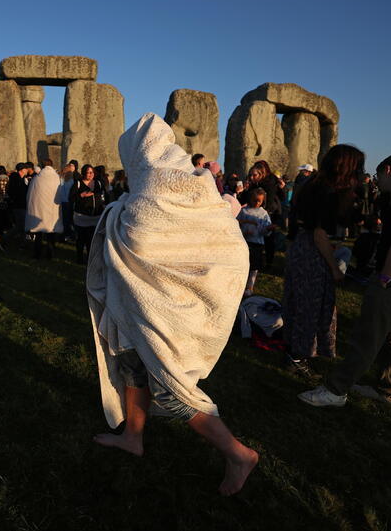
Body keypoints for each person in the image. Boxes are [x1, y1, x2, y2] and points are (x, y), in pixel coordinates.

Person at [88, 113, 258, 496]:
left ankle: (238, 453)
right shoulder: (199, 185)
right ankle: (133, 436)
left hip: (171, 309)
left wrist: (119, 215)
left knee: (171, 386)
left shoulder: (155, 194)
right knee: (131, 362)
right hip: (136, 304)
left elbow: (148, 238)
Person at [299, 153, 391, 410]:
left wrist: (385, 277)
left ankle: (335, 390)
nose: (377, 181)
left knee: (368, 334)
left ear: (388, 169)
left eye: (378, 176)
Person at [283, 145, 363, 378]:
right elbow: (319, 233)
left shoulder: (314, 184)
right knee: (310, 306)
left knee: (299, 302)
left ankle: (296, 351)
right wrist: (334, 267)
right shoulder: (326, 191)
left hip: (302, 247)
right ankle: (298, 358)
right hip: (313, 252)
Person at [241, 161, 284, 267]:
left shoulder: (270, 183)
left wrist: (264, 212)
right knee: (255, 237)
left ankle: (268, 261)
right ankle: (253, 260)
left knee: (269, 238)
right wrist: (245, 190)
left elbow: (275, 198)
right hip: (255, 213)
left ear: (261, 174)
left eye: (254, 175)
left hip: (269, 213)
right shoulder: (252, 185)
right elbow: (244, 200)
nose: (251, 177)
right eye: (250, 175)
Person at [25, 158, 63, 260]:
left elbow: (31, 194)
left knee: (39, 234)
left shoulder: (37, 178)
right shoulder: (56, 178)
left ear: (42, 166)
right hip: (52, 211)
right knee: (51, 234)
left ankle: (37, 254)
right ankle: (50, 255)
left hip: (39, 211)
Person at [237, 187, 273, 296]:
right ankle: (240, 285)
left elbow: (265, 230)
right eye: (254, 199)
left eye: (259, 201)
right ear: (250, 198)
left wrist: (268, 229)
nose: (256, 203)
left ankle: (250, 286)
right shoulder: (243, 211)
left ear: (263, 201)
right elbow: (237, 224)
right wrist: (242, 231)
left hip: (257, 243)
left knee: (254, 267)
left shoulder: (263, 214)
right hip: (244, 242)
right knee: (243, 264)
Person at [69, 164, 105, 264]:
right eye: (88, 172)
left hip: (95, 217)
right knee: (81, 239)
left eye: (92, 172)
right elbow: (71, 198)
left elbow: (104, 195)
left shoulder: (98, 183)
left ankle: (90, 258)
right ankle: (79, 258)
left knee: (92, 240)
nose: (90, 174)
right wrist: (81, 195)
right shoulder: (78, 184)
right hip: (82, 217)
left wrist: (104, 204)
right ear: (84, 173)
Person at [7, 163, 30, 243]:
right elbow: (17, 192)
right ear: (22, 170)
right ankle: (4, 239)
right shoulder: (16, 179)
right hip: (18, 205)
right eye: (25, 168)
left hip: (20, 205)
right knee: (20, 226)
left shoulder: (21, 179)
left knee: (21, 226)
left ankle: (22, 242)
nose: (27, 170)